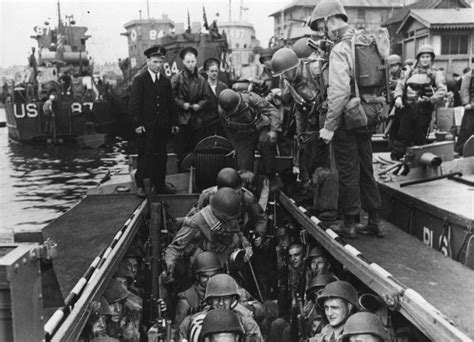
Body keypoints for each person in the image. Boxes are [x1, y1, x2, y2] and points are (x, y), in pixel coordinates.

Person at [313, 0, 384, 238]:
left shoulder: (341, 49)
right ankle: (374, 219)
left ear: (329, 21)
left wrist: (329, 126)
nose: (322, 31)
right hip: (368, 113)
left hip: (346, 118)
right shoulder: (365, 40)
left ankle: (350, 223)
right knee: (366, 167)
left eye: (321, 25)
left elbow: (339, 91)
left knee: (347, 170)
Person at [272, 47, 328, 196]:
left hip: (323, 113)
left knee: (322, 151)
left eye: (285, 72)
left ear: (294, 67)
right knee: (303, 146)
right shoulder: (287, 79)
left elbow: (331, 92)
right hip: (303, 112)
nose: (284, 76)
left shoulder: (314, 70)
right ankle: (306, 184)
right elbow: (288, 98)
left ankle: (321, 187)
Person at [164, 187, 253, 277]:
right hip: (204, 268)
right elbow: (174, 248)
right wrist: (170, 263)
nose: (232, 222)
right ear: (217, 212)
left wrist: (247, 246)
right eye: (227, 218)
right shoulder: (197, 221)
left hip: (227, 263)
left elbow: (238, 233)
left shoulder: (229, 215)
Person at [130, 45, 179, 197]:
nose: (158, 66)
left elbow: (171, 103)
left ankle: (159, 184)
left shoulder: (164, 81)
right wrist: (137, 124)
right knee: (145, 155)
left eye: (160, 62)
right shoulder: (140, 80)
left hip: (162, 126)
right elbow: (134, 104)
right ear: (148, 61)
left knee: (161, 156)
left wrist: (174, 123)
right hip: (146, 127)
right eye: (155, 62)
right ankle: (141, 185)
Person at [392, 44, 447, 159]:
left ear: (431, 58)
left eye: (427, 57)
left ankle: (417, 160)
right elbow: (400, 85)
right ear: (418, 59)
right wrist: (398, 97)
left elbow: (442, 90)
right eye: (422, 57)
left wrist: (431, 99)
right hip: (407, 108)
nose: (425, 59)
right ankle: (397, 158)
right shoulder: (410, 72)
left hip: (423, 109)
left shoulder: (436, 73)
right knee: (403, 133)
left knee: (419, 135)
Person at [218, 89, 281, 181]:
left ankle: (272, 178)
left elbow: (272, 111)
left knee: (266, 144)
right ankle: (246, 186)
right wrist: (235, 147)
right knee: (244, 165)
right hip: (243, 135)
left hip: (260, 127)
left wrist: (274, 130)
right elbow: (229, 131)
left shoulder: (251, 98)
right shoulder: (222, 112)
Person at [179, 274, 263, 341]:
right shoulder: (192, 321)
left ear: (233, 299)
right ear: (209, 300)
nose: (221, 303)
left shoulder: (245, 322)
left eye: (226, 298)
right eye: (216, 298)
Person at [189, 167, 268, 239]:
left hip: (238, 235)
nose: (236, 195)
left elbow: (261, 218)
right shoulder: (208, 196)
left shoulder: (246, 198)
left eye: (237, 192)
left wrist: (258, 235)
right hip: (212, 235)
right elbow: (192, 218)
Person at [174, 46, 209, 170]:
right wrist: (182, 104)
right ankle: (182, 171)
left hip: (197, 119)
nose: (190, 64)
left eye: (192, 61)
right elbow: (171, 97)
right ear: (183, 62)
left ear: (196, 61)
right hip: (183, 119)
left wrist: (199, 105)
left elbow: (206, 97)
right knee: (182, 148)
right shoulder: (177, 78)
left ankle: (197, 171)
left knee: (197, 146)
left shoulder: (202, 80)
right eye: (188, 62)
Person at [174, 251, 222, 327]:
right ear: (197, 277)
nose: (210, 280)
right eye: (205, 276)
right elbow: (178, 329)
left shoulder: (224, 291)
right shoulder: (187, 299)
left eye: (213, 276)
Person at [201, 57, 228, 139]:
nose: (214, 73)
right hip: (207, 124)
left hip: (221, 123)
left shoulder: (223, 86)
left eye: (216, 71)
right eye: (212, 71)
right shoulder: (202, 87)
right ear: (207, 72)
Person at [385, 55, 405, 149]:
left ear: (399, 65)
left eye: (395, 65)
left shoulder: (404, 75)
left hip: (401, 105)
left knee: (401, 128)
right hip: (391, 105)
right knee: (392, 129)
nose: (393, 68)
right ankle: (391, 146)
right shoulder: (387, 76)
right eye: (391, 66)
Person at [457, 68, 474, 155]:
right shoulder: (469, 75)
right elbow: (464, 89)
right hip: (471, 108)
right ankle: (461, 150)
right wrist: (466, 103)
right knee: (467, 129)